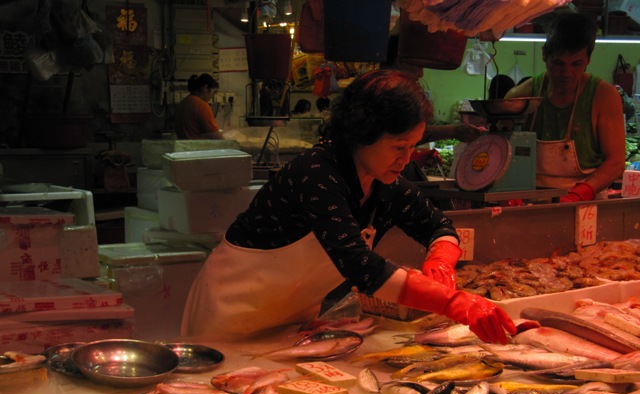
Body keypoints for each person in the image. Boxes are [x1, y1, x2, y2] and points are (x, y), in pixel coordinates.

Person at [181, 69, 516, 344]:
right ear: (362, 133)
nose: (406, 159)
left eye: (413, 146)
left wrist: (440, 263)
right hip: (229, 321)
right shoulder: (316, 173)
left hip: (291, 326)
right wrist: (452, 302)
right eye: (399, 146)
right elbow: (362, 268)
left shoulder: (384, 182)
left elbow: (439, 227)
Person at [504, 11, 626, 203]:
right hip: (529, 203)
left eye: (576, 64)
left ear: (588, 59)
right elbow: (503, 155)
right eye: (558, 63)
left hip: (584, 203)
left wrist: (581, 192)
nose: (566, 73)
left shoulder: (604, 96)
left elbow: (616, 162)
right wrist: (509, 194)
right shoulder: (521, 96)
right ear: (545, 54)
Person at [174, 73, 224, 140]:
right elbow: (216, 136)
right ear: (205, 88)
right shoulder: (202, 106)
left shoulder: (182, 104)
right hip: (197, 148)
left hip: (184, 148)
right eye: (213, 92)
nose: (212, 96)